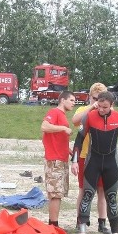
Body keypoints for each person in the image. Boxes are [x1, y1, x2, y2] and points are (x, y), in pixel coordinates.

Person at [71, 91, 118, 234]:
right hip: (92, 161)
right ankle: (82, 231)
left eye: (105, 107)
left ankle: (115, 231)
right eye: (99, 106)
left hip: (111, 163)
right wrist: (74, 161)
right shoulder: (89, 116)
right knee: (87, 195)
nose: (101, 109)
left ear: (112, 105)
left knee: (112, 198)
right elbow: (79, 139)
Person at [71, 83, 110, 234]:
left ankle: (102, 222)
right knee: (83, 189)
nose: (98, 103)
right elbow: (75, 120)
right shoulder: (84, 109)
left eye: (101, 100)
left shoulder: (106, 110)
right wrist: (91, 107)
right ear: (89, 97)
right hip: (84, 155)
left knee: (102, 190)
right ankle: (80, 219)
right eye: (95, 99)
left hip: (102, 156)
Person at [40, 90, 75, 227]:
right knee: (55, 194)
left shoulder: (63, 115)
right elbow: (44, 126)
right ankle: (53, 226)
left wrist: (70, 151)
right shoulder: (55, 112)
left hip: (61, 158)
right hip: (54, 160)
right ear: (63, 100)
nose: (74, 103)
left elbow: (58, 140)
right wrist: (63, 128)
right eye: (71, 100)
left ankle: (54, 224)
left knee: (58, 193)